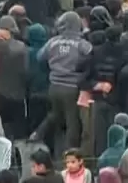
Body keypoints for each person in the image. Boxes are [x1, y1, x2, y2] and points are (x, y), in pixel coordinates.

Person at [32, 11, 92, 149]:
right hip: (71, 88)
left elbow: (39, 57)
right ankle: (69, 156)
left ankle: (39, 135)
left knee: (56, 116)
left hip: (53, 86)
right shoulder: (82, 44)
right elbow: (91, 57)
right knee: (73, 124)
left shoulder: (52, 42)